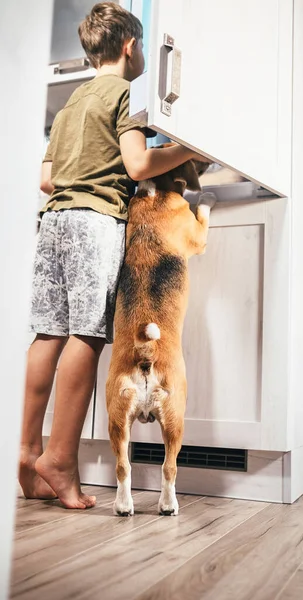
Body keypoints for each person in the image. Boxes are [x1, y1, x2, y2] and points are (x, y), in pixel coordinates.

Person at [19, 2, 207, 509]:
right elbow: (140, 162)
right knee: (87, 334)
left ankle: (25, 454)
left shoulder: (73, 101)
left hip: (53, 220)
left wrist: (81, 178)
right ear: (130, 46)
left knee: (47, 333)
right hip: (94, 224)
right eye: (143, 45)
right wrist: (189, 149)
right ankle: (59, 461)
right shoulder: (123, 94)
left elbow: (45, 177)